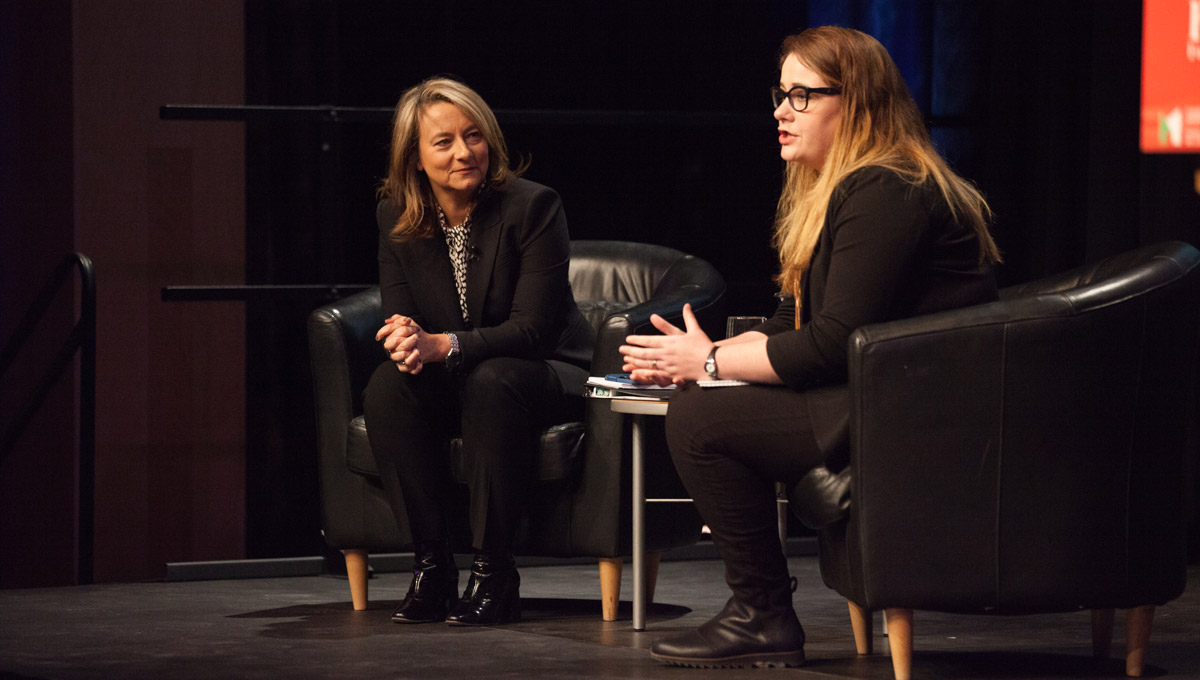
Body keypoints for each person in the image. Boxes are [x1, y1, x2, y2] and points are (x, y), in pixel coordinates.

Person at [621, 26, 1002, 668]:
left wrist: (709, 363)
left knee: (699, 420)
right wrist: (701, 357)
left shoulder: (888, 189)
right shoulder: (839, 186)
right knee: (702, 399)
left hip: (917, 409)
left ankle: (761, 613)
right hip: (876, 393)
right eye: (780, 93)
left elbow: (827, 345)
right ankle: (761, 611)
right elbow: (788, 324)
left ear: (854, 103)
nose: (780, 110)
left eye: (801, 95)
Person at [363, 76, 594, 626]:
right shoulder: (396, 212)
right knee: (388, 388)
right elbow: (402, 312)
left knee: (493, 382)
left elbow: (534, 329)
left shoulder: (533, 206)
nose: (464, 152)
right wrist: (404, 340)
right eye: (443, 142)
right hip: (461, 370)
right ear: (415, 158)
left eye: (473, 136)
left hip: (544, 370)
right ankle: (433, 566)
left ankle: (494, 572)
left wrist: (444, 344)